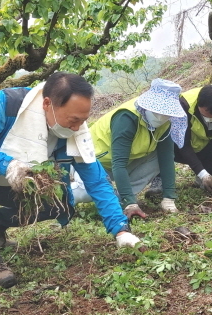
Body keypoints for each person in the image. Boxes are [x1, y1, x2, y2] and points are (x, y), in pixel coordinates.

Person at [0, 72, 141, 289]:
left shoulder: (72, 133)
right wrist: (6, 165)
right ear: (48, 104)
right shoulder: (7, 104)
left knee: (60, 201)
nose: (77, 127)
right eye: (73, 120)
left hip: (14, 182)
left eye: (83, 120)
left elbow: (96, 180)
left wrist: (121, 230)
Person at [72, 78, 187, 220]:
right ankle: (63, 198)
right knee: (85, 192)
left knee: (159, 158)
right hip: (92, 161)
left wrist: (169, 197)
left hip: (125, 162)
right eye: (157, 112)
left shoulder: (165, 123)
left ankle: (118, 197)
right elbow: (118, 162)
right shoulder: (126, 118)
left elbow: (167, 159)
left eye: (165, 113)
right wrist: (131, 203)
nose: (160, 117)